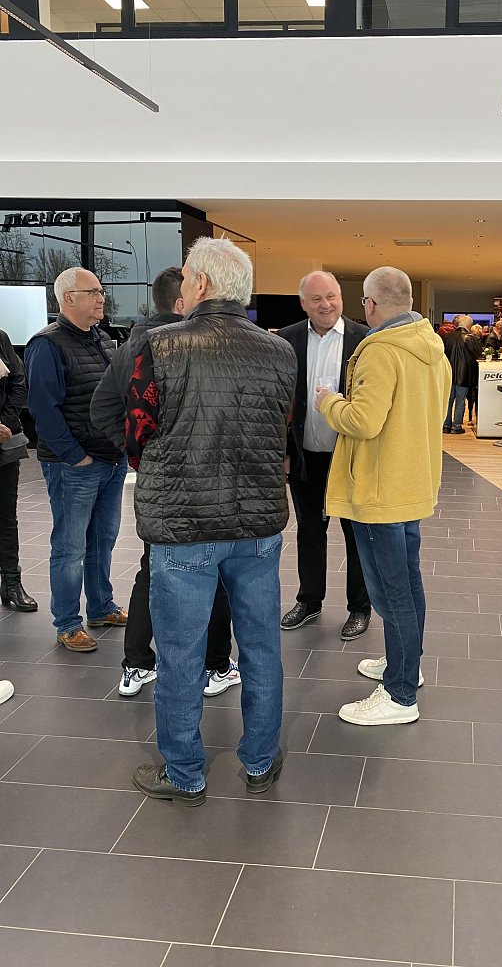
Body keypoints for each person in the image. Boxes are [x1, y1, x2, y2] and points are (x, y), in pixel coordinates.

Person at [128, 237, 296, 806]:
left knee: (180, 652)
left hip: (183, 523)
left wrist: (158, 467)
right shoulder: (280, 351)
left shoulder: (160, 345)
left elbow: (137, 430)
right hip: (257, 523)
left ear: (199, 283)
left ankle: (184, 772)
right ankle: (260, 760)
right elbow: (281, 428)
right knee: (261, 647)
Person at [91, 267, 238, 699]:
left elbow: (102, 409)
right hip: (200, 481)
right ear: (181, 303)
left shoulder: (131, 345)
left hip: (157, 486)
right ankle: (215, 666)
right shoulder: (183, 346)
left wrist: (141, 456)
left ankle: (137, 664)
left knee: (151, 569)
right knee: (213, 569)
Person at [316, 266, 451, 726]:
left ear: (371, 304)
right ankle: (405, 665)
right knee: (408, 584)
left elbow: (363, 421)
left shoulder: (380, 351)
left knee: (392, 594)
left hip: (378, 491)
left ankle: (399, 695)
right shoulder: (431, 348)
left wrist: (328, 401)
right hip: (412, 484)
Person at [24, 268, 129, 653]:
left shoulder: (100, 338)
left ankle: (101, 607)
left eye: (102, 291)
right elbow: (43, 410)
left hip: (110, 458)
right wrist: (75, 457)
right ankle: (68, 623)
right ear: (69, 297)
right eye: (93, 292)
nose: (102, 297)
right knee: (70, 547)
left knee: (103, 539)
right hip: (75, 464)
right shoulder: (46, 345)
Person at [277, 271, 371, 639]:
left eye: (331, 296)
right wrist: (285, 452)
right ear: (303, 303)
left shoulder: (365, 339)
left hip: (351, 460)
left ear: (341, 298)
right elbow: (280, 402)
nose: (326, 304)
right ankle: (310, 600)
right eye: (316, 299)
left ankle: (360, 607)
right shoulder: (286, 340)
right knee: (310, 532)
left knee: (357, 534)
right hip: (305, 458)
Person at [0, 328, 37, 611]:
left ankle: (11, 583)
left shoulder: (0, 338)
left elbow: (18, 380)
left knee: (6, 516)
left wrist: (5, 421)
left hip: (4, 442)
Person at [442, 314, 482, 434]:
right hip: (463, 374)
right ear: (469, 326)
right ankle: (456, 426)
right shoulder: (471, 338)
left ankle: (446, 425)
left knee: (448, 401)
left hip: (448, 373)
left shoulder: (447, 337)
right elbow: (478, 355)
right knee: (460, 401)